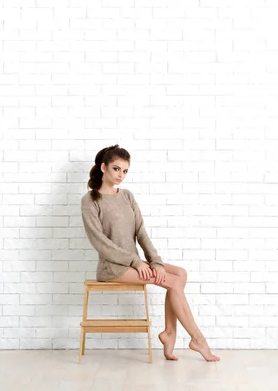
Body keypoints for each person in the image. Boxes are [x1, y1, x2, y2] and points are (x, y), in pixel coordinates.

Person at [80, 144, 220, 362]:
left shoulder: (126, 196)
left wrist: (155, 262)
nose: (121, 175)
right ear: (103, 167)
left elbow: (141, 232)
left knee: (180, 274)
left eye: (125, 171)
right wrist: (136, 262)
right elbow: (100, 243)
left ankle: (169, 334)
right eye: (116, 169)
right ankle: (198, 339)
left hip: (134, 263)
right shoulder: (90, 201)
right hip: (113, 268)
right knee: (173, 282)